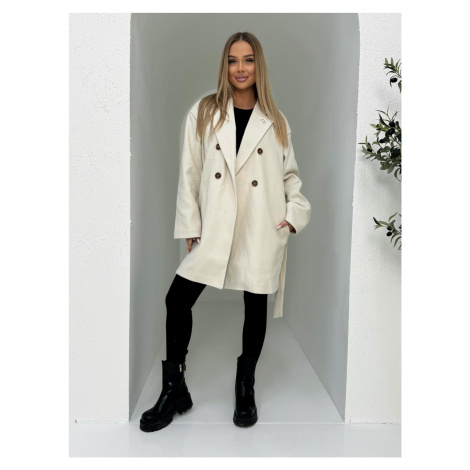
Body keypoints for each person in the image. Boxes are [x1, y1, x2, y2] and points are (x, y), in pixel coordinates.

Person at [140, 31, 311, 433]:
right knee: (177, 300)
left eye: (248, 60)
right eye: (233, 60)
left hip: (259, 224)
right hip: (216, 223)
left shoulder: (276, 120)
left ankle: (245, 386)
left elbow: (290, 177)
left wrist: (293, 216)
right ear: (225, 66)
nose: (240, 68)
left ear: (258, 65)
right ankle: (174, 388)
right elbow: (189, 171)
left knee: (255, 303)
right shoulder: (204, 112)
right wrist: (191, 224)